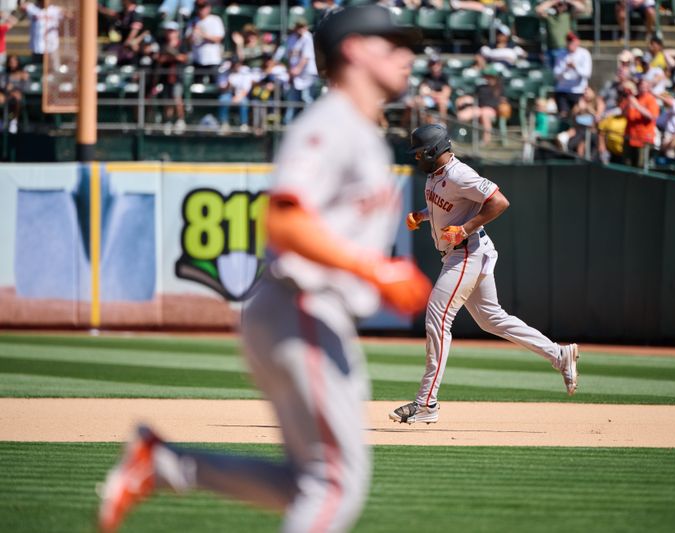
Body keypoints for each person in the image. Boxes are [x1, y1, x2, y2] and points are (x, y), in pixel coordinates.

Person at [96, 6, 431, 533]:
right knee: (336, 484)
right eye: (392, 44)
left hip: (307, 313)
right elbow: (282, 218)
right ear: (354, 50)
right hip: (302, 304)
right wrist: (375, 269)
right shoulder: (332, 122)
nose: (408, 55)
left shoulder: (360, 130)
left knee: (309, 483)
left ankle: (163, 465)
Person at [389, 124, 579, 425]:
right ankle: (558, 355)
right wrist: (422, 216)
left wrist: (464, 229)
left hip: (467, 252)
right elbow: (449, 209)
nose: (416, 158)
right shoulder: (435, 175)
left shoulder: (458, 173)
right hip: (463, 253)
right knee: (492, 319)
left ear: (433, 150)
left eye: (419, 152)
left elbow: (499, 202)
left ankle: (427, 402)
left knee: (437, 318)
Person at [455, 66, 507, 145]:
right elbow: (474, 97)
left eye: (490, 77)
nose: (488, 78)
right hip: (479, 108)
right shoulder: (481, 87)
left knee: (484, 113)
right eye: (487, 76)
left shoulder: (499, 88)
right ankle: (454, 137)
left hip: (492, 111)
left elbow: (502, 102)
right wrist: (465, 99)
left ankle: (486, 140)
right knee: (463, 115)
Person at [280, 18, 318, 124]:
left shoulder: (308, 37)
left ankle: (309, 123)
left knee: (307, 98)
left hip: (307, 73)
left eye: (303, 27)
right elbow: (287, 56)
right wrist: (290, 71)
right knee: (292, 100)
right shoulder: (291, 38)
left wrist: (297, 69)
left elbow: (306, 57)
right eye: (299, 27)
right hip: (294, 73)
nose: (301, 29)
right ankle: (288, 123)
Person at [154, 21, 187, 134]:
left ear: (176, 32)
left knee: (177, 98)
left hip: (177, 76)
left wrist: (173, 54)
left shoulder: (181, 44)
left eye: (172, 31)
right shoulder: (162, 44)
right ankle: (167, 121)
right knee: (167, 100)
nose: (169, 33)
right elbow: (159, 59)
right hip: (165, 76)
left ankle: (180, 120)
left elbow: (183, 58)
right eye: (168, 31)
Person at [534, 0, 587, 68]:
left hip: (565, 50)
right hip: (550, 50)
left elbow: (582, 8)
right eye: (558, 5)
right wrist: (554, 1)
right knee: (551, 75)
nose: (560, 6)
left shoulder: (568, 15)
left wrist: (567, 1)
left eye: (561, 5)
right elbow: (538, 10)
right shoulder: (549, 16)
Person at [620, 76, 659, 167]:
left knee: (640, 165)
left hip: (643, 138)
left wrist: (637, 105)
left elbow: (652, 116)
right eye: (641, 85)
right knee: (626, 163)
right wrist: (628, 101)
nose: (642, 87)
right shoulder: (633, 98)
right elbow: (623, 113)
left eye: (645, 86)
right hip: (630, 136)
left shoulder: (651, 100)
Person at [552, 31, 592, 118]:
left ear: (578, 42)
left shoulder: (584, 54)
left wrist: (575, 67)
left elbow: (587, 74)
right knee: (563, 116)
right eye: (569, 41)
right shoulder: (560, 54)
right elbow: (556, 74)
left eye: (573, 41)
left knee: (579, 115)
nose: (571, 44)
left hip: (578, 91)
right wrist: (566, 68)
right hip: (563, 90)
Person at [186, 0, 225, 82]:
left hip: (213, 60)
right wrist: (193, 34)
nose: (201, 10)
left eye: (203, 7)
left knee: (214, 85)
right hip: (198, 60)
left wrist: (202, 35)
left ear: (209, 8)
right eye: (199, 7)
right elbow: (187, 40)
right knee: (197, 86)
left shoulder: (215, 20)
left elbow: (218, 38)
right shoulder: (193, 21)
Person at [98, 0, 145, 65]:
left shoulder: (135, 14)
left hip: (131, 48)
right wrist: (99, 8)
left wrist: (128, 41)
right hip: (122, 45)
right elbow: (112, 14)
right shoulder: (124, 13)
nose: (121, 2)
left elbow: (135, 30)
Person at [20, 0, 63, 65]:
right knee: (37, 67)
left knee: (52, 68)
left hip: (51, 46)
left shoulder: (55, 10)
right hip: (37, 46)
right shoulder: (33, 8)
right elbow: (22, 6)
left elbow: (69, 15)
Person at [217, 59, 253, 132]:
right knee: (223, 100)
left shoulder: (245, 71)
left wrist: (237, 97)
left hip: (241, 94)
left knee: (244, 102)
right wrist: (228, 82)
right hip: (228, 93)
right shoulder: (225, 71)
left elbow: (246, 89)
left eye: (237, 64)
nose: (235, 66)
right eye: (234, 64)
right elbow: (222, 88)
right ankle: (224, 124)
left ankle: (244, 124)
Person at [416, 55, 451, 120]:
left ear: (440, 64)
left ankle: (443, 126)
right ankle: (424, 125)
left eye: (437, 63)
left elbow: (446, 94)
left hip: (441, 99)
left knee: (442, 102)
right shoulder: (426, 76)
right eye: (432, 64)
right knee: (419, 101)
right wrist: (434, 95)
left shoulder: (444, 77)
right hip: (430, 99)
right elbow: (422, 92)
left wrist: (431, 93)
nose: (434, 66)